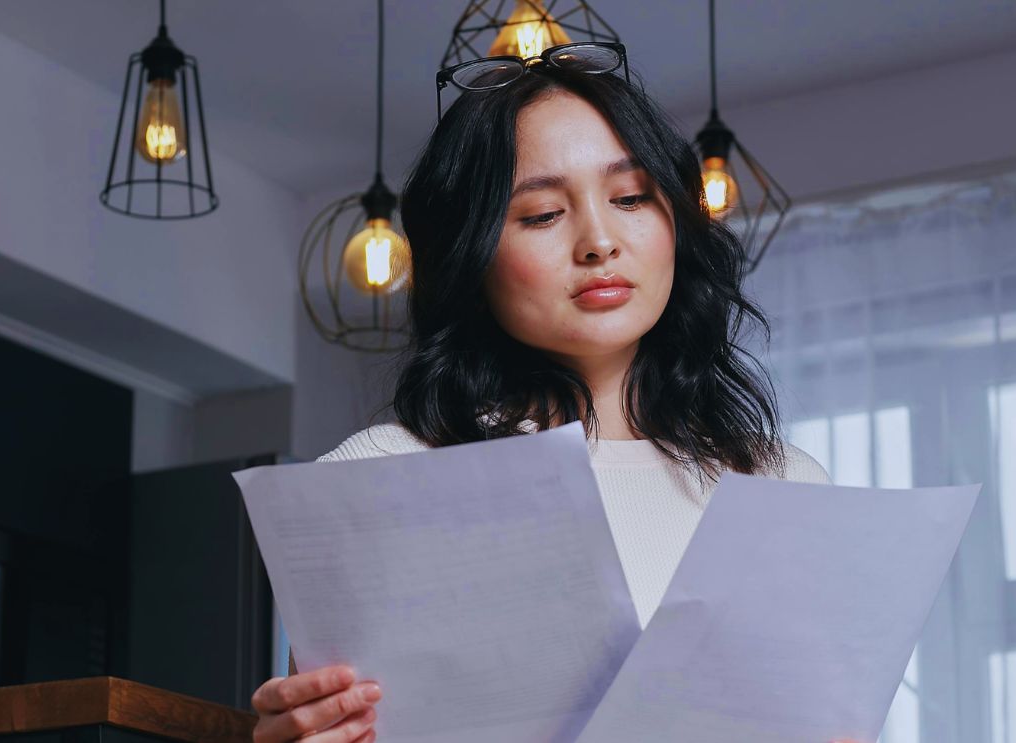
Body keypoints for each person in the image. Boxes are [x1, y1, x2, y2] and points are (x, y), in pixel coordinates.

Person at [250, 47, 838, 743]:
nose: (599, 241)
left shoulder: (781, 482)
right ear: (470, 257)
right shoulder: (379, 477)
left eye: (629, 198)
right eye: (540, 215)